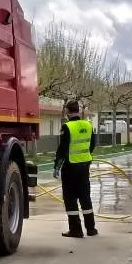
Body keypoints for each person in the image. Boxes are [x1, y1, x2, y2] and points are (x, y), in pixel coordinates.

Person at [53, 100, 97, 238]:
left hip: (70, 167)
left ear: (67, 112)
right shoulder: (88, 125)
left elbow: (62, 149)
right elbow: (92, 144)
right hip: (85, 165)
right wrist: (84, 156)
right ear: (78, 110)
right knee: (85, 197)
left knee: (70, 198)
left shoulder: (67, 127)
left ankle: (76, 230)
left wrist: (57, 167)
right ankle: (91, 229)